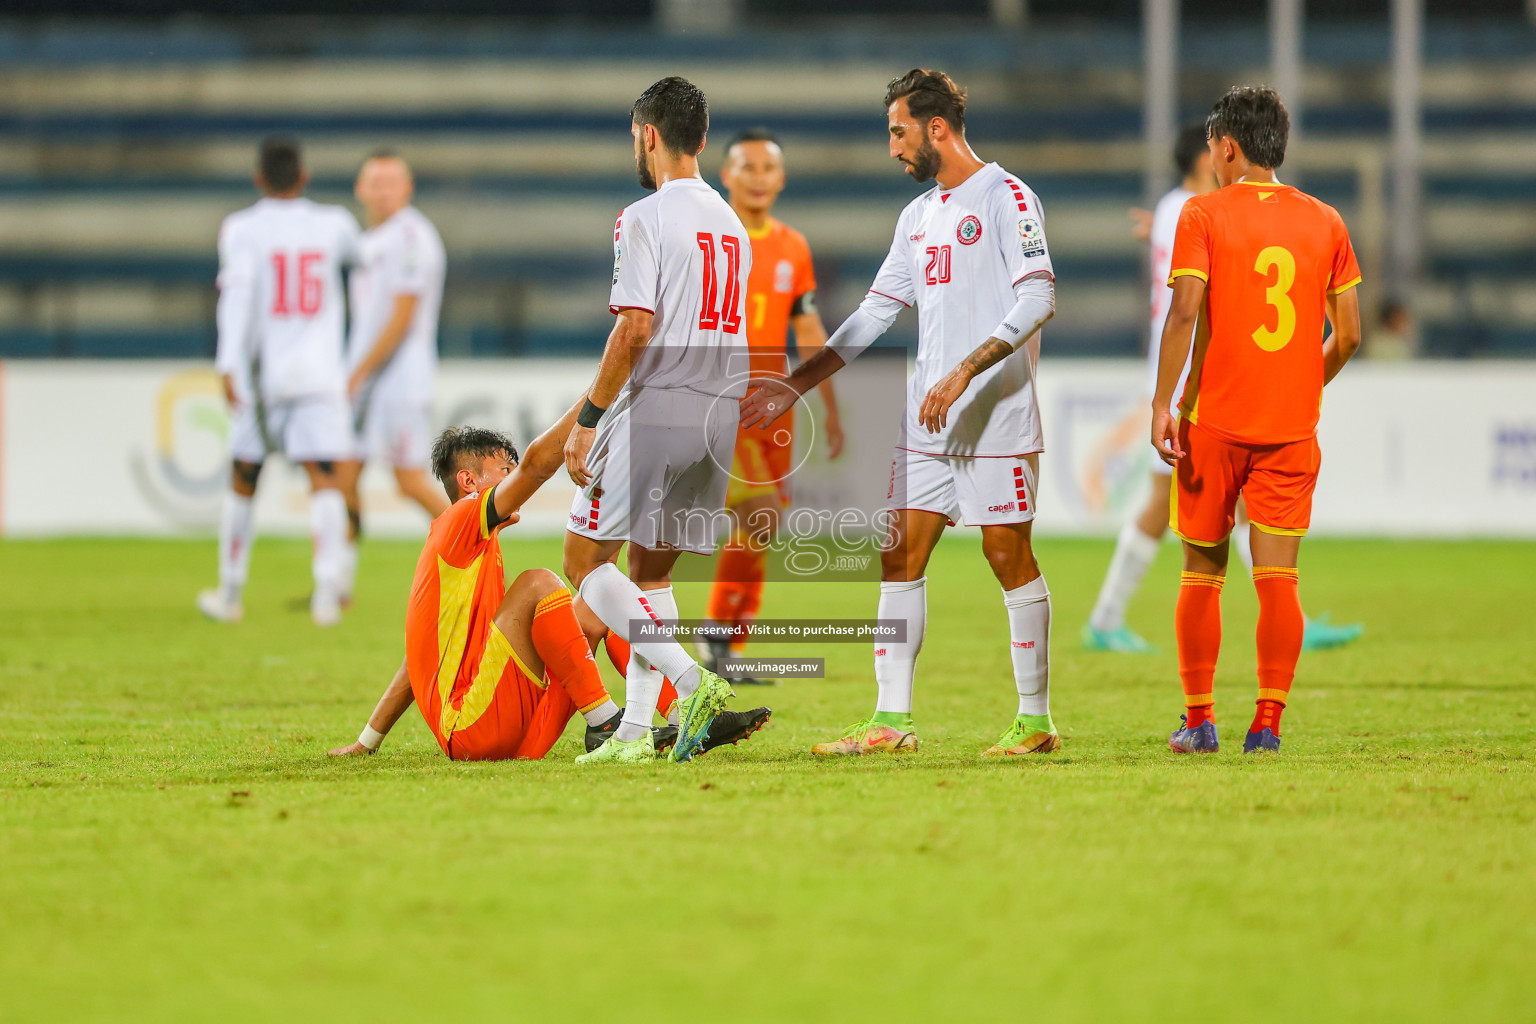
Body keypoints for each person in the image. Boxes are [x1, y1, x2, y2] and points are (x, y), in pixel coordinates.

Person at [740, 69, 1060, 758]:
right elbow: (873, 314)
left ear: (935, 128)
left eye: (898, 131)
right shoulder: (918, 218)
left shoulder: (1008, 197)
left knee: (1008, 556)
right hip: (927, 423)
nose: (893, 148)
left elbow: (1038, 299)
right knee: (897, 554)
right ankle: (890, 719)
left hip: (994, 419)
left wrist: (966, 370)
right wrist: (794, 386)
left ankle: (1035, 722)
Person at [326, 421, 773, 761]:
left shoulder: (477, 549)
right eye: (503, 470)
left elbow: (418, 657)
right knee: (539, 581)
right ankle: (606, 721)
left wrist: (368, 741)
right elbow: (539, 466)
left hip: (517, 736)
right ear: (468, 483)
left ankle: (684, 716)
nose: (511, 478)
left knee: (600, 605)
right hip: (470, 729)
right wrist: (596, 404)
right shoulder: (460, 519)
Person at [1083, 125, 1363, 655]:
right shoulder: (1200, 208)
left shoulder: (1181, 209)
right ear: (1207, 156)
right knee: (1173, 504)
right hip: (1197, 378)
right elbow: (1190, 304)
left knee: (1223, 504)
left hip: (1195, 373)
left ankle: (1286, 618)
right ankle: (1107, 616)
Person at [1152, 86, 1363, 755]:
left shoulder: (1203, 213)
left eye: (1214, 149)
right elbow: (1350, 335)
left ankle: (1199, 719)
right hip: (1290, 428)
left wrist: (1162, 403)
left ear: (1227, 145)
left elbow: (1185, 313)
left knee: (1201, 573)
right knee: (1278, 581)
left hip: (1212, 420)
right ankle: (1267, 725)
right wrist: (1300, 380)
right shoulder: (1326, 221)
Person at [561, 77, 754, 765]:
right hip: (717, 412)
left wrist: (588, 417)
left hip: (658, 407)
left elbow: (635, 327)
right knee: (652, 574)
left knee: (585, 560)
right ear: (701, 141)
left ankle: (691, 679)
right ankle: (638, 733)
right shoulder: (733, 224)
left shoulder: (642, 216)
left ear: (647, 135)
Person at [698, 127, 844, 679]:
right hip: (719, 400)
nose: (758, 177)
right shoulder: (710, 237)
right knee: (754, 514)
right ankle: (712, 634)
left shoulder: (792, 247)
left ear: (780, 178)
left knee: (765, 523)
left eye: (768, 168)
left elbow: (808, 330)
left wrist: (827, 405)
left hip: (775, 404)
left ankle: (726, 643)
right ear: (726, 175)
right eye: (747, 167)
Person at [198, 137, 360, 628]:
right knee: (324, 478)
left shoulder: (242, 229)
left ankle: (229, 593)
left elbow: (238, 298)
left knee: (244, 476)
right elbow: (364, 261)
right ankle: (327, 596)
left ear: (258, 179)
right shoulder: (334, 224)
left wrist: (229, 364)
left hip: (262, 377)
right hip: (319, 375)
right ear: (305, 176)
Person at [335, 151, 449, 602]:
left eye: (391, 181)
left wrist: (358, 373)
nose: (382, 190)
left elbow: (403, 317)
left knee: (408, 480)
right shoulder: (371, 241)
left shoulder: (413, 236)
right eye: (374, 182)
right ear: (360, 189)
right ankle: (336, 582)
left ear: (407, 188)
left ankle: (479, 554)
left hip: (398, 380)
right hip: (366, 380)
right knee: (343, 473)